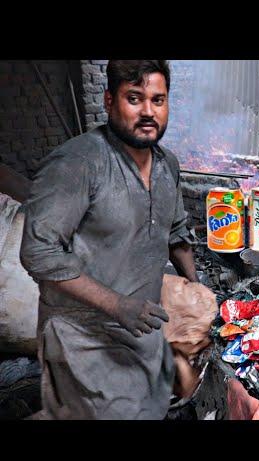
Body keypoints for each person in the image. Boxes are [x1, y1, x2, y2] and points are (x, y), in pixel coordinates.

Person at [20, 60, 205, 419]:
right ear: (109, 101)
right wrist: (117, 305)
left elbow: (177, 234)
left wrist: (197, 293)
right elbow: (38, 252)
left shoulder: (168, 165)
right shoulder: (77, 163)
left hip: (140, 332)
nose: (148, 112)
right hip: (82, 340)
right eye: (134, 99)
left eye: (158, 99)